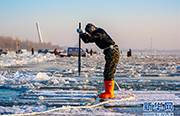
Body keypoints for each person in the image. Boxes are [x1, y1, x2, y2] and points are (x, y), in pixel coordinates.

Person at [77, 23, 120, 99]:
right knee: (107, 72)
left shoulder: (99, 34)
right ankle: (108, 91)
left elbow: (87, 40)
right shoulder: (99, 32)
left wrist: (82, 33)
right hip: (110, 52)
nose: (89, 34)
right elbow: (89, 38)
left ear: (91, 29)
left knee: (109, 72)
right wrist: (83, 33)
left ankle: (109, 93)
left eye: (89, 32)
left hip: (112, 52)